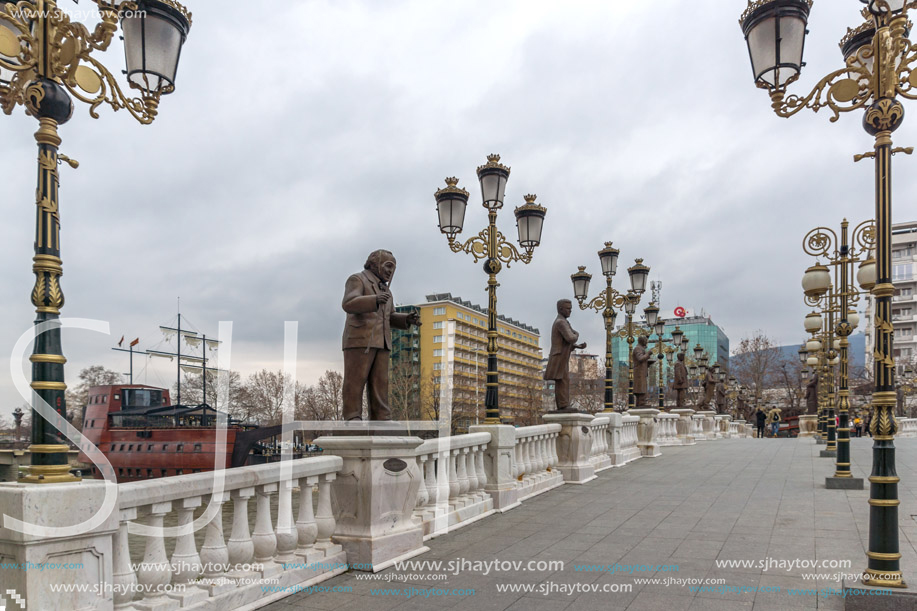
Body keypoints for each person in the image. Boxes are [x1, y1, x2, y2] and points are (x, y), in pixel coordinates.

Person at [341, 250, 420, 421]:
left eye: (393, 268)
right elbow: (348, 303)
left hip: (382, 341)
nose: (391, 271)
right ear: (374, 264)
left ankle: (381, 417)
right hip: (359, 339)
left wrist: (406, 319)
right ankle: (352, 417)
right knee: (355, 380)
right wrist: (374, 299)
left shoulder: (386, 291)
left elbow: (389, 317)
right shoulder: (358, 279)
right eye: (388, 266)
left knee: (380, 382)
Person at [543, 299, 586, 411]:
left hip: (562, 355)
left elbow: (565, 342)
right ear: (561, 309)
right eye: (568, 309)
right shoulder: (561, 322)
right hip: (559, 356)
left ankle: (563, 404)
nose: (570, 311)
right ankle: (563, 405)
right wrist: (577, 334)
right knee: (562, 379)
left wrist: (577, 346)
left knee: (563, 379)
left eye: (570, 309)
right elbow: (571, 337)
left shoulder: (563, 322)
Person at [632, 335, 650, 407]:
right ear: (642, 341)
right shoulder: (637, 349)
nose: (647, 342)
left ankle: (642, 402)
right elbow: (640, 358)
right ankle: (641, 403)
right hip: (639, 373)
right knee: (640, 388)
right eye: (646, 340)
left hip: (642, 372)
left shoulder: (640, 348)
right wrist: (648, 354)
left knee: (642, 388)